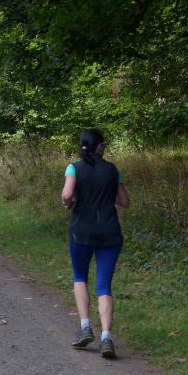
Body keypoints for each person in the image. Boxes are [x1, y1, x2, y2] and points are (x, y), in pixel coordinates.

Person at [61, 129, 130, 359]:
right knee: (104, 285)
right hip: (109, 232)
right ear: (99, 146)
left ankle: (85, 327)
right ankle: (106, 338)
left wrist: (69, 203)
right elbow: (124, 201)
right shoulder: (112, 170)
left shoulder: (74, 168)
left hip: (81, 232)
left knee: (80, 277)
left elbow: (66, 195)